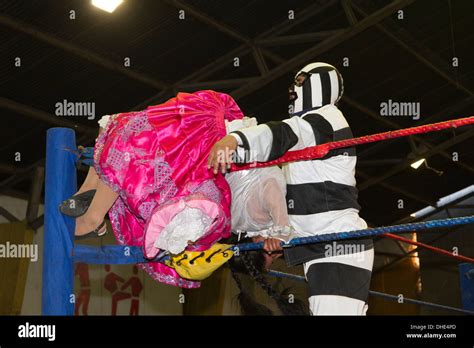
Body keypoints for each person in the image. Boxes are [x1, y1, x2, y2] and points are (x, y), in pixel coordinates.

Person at [208, 62, 374, 315]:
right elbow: (297, 205)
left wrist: (236, 141)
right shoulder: (305, 142)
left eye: (300, 81)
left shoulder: (326, 119)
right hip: (323, 245)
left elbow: (285, 132)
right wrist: (278, 235)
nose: (293, 90)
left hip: (338, 242)